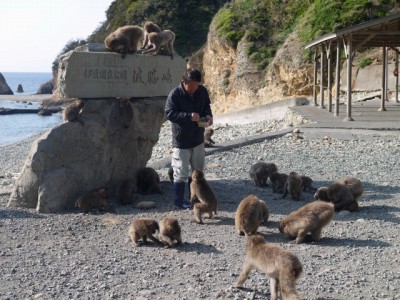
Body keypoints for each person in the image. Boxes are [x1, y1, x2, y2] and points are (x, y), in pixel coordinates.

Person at [165, 68, 213, 209]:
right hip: (181, 140)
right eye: (191, 85)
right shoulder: (175, 94)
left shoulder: (202, 91)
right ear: (183, 82)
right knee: (180, 171)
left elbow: (206, 107)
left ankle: (195, 198)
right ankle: (179, 201)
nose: (194, 88)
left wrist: (208, 116)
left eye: (196, 85)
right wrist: (188, 116)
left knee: (198, 171)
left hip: (198, 138)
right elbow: (169, 113)